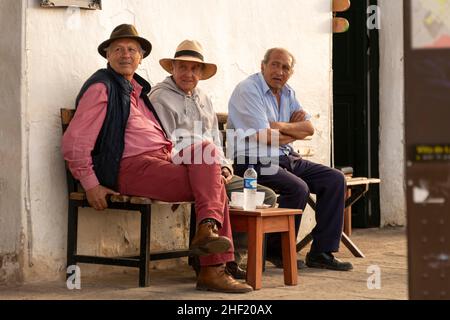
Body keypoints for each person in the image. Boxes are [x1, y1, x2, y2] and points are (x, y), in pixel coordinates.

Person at [61, 24, 252, 293]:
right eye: (118, 49)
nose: (125, 55)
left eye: (132, 50)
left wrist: (212, 162)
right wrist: (90, 184)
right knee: (214, 185)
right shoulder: (102, 88)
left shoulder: (136, 91)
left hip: (160, 162)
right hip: (130, 168)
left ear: (141, 58)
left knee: (207, 150)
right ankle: (213, 268)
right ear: (107, 55)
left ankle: (208, 232)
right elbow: (74, 141)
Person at [149, 40, 277, 279]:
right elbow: (165, 145)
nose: (189, 73)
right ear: (172, 68)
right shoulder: (160, 98)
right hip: (185, 169)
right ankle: (208, 261)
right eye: (183, 67)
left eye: (194, 68)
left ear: (201, 73)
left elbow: (214, 140)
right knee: (215, 188)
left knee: (264, 196)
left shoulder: (203, 98)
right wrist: (207, 170)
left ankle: (230, 258)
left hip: (213, 167)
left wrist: (226, 167)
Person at [227, 47, 353, 271]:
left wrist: (281, 127)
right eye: (275, 64)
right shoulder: (248, 90)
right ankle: (277, 251)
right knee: (298, 188)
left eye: (285, 67)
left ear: (291, 72)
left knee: (334, 179)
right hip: (253, 162)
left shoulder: (288, 93)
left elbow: (309, 129)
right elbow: (264, 136)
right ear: (263, 65)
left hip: (285, 158)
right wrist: (290, 133)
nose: (279, 71)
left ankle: (321, 252)